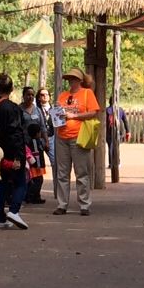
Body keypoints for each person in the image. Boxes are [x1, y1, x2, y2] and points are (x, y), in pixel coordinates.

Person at [0, 74, 30, 230]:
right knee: (20, 182)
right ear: (12, 89)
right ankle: (14, 210)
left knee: (0, 182)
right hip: (11, 149)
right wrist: (19, 157)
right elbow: (17, 133)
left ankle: (0, 216)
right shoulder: (13, 108)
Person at [51, 68, 101, 217]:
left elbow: (93, 112)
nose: (71, 81)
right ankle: (62, 204)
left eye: (73, 78)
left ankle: (84, 205)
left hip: (79, 137)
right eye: (69, 79)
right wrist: (56, 115)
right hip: (62, 137)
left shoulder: (87, 93)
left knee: (82, 172)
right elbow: (58, 112)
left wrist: (74, 115)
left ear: (80, 80)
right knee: (62, 173)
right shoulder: (63, 95)